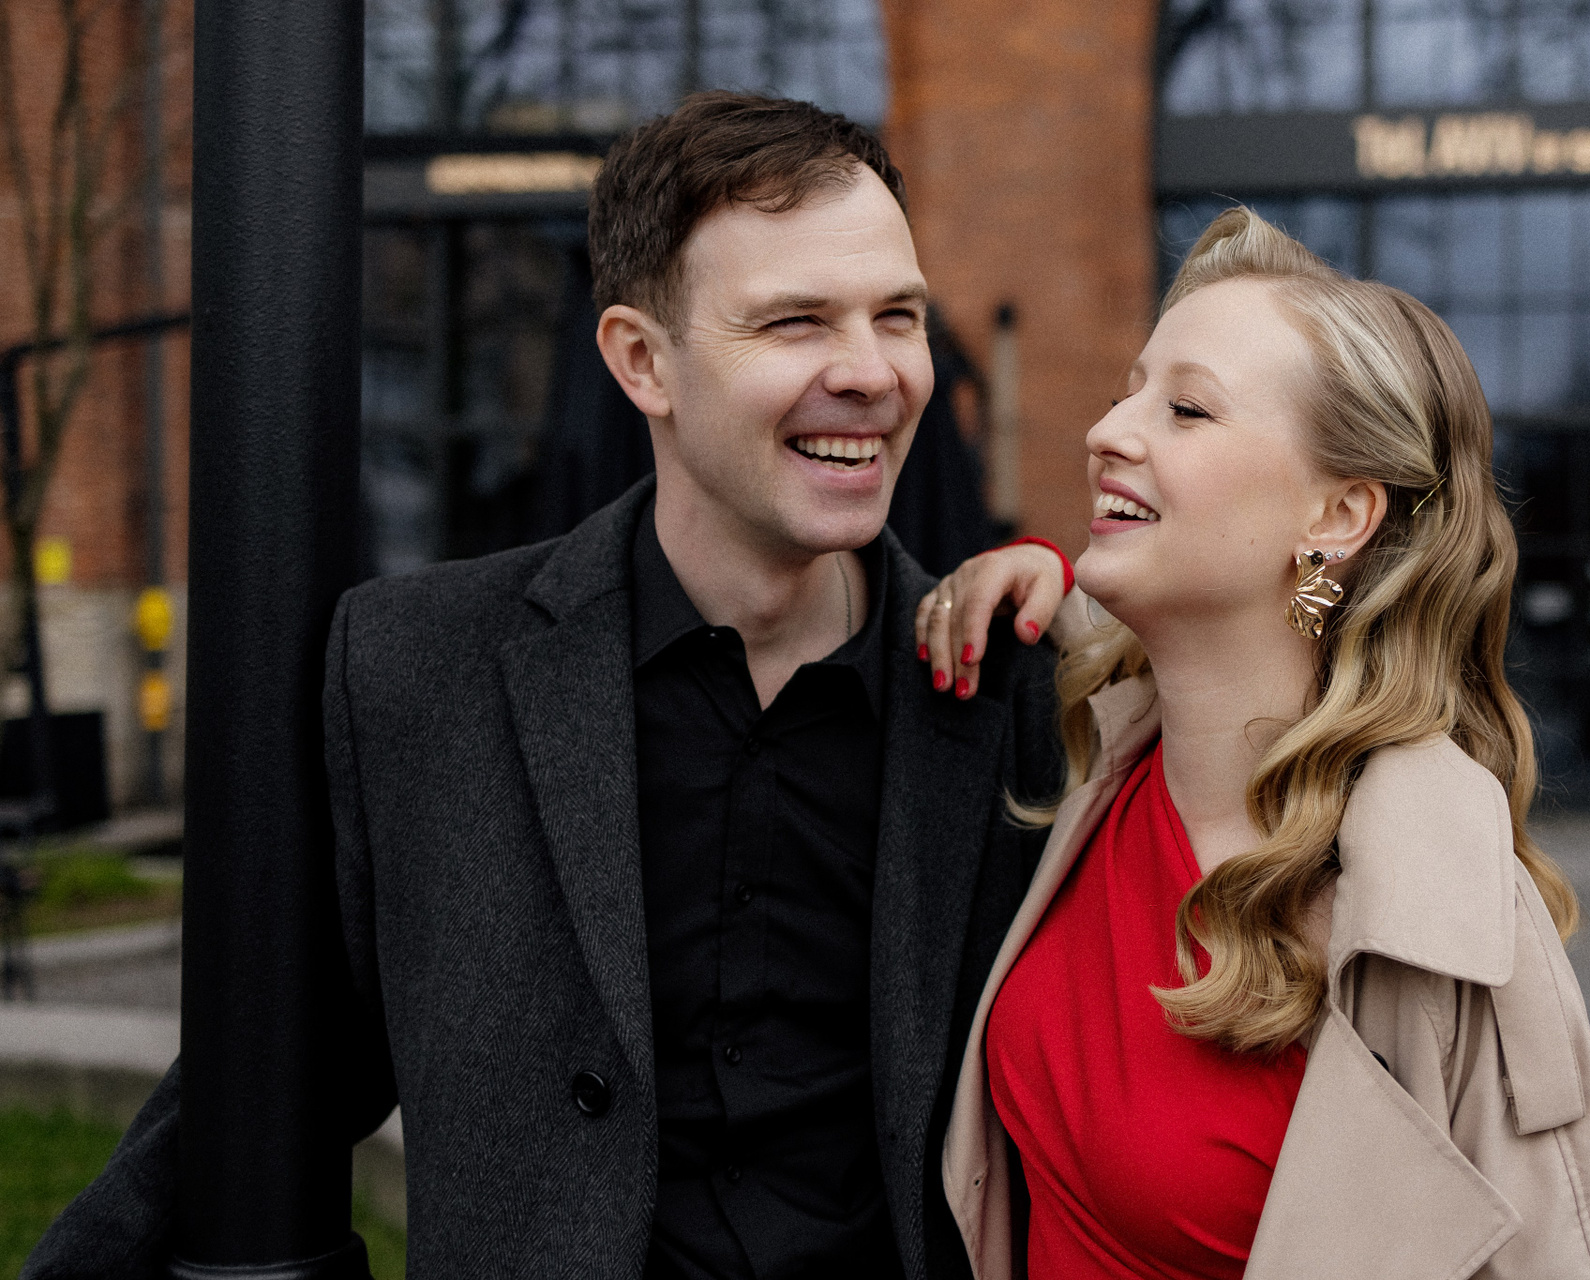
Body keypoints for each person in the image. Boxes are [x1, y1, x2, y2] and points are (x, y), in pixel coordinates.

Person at [27, 93, 1065, 1280]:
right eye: (796, 321)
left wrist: (1103, 606)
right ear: (641, 360)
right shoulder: (419, 671)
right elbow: (262, 1081)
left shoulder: (1017, 691)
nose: (873, 372)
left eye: (898, 315)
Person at [915, 207, 1590, 1279]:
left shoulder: (1437, 914)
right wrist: (1035, 571)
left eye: (1186, 408)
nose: (1108, 429)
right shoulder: (1115, 751)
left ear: (1338, 516)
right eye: (1129, 390)